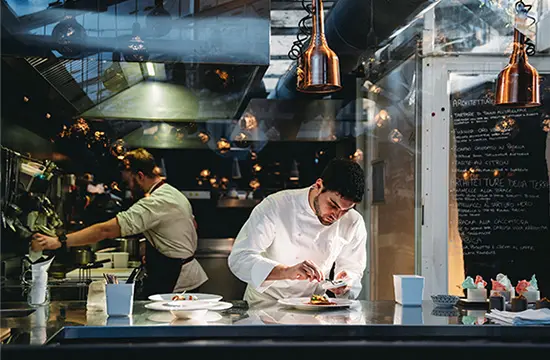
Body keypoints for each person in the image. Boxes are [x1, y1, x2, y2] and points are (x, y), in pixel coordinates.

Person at [32, 148, 208, 296]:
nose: (129, 188)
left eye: (129, 181)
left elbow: (105, 231)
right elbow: (190, 226)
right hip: (182, 275)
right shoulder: (171, 192)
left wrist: (59, 241)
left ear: (139, 176)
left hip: (178, 281)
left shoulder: (155, 202)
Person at [228, 158, 367, 305]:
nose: (336, 216)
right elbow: (240, 258)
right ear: (318, 185)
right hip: (265, 304)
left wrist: (346, 280)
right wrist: (286, 271)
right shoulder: (276, 206)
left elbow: (353, 267)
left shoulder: (353, 221)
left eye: (345, 210)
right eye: (332, 205)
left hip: (314, 305)